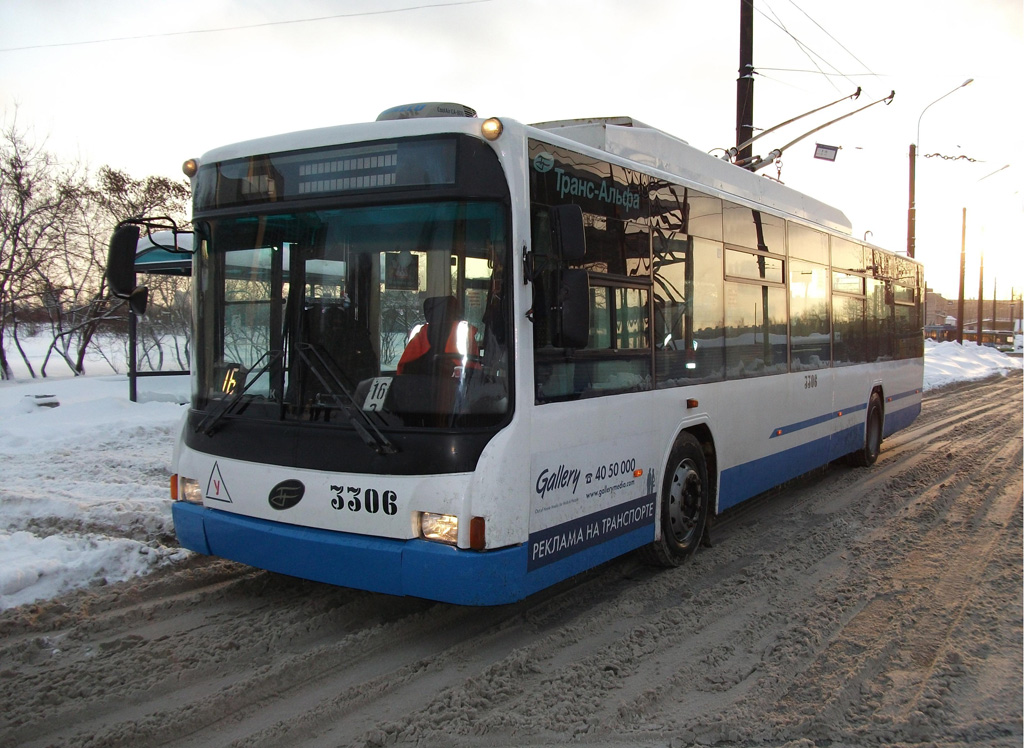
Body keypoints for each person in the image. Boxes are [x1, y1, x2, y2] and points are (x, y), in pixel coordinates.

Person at [397, 296, 480, 376]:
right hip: (456, 384)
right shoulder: (463, 330)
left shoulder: (420, 331)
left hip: (421, 385)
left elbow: (404, 367)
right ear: (454, 310)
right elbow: (473, 368)